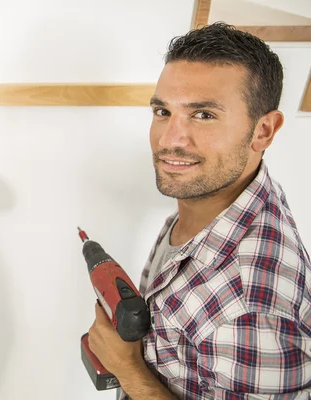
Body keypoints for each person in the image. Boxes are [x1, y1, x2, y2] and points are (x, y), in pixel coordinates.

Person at [87, 22, 311, 399]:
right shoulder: (213, 197)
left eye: (203, 115)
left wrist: (128, 369)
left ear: (264, 131)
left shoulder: (254, 310)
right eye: (162, 111)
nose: (170, 140)